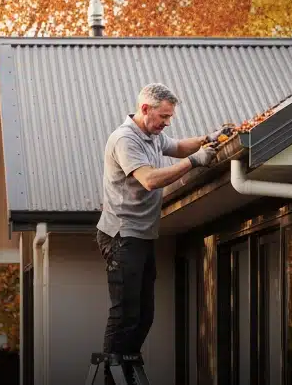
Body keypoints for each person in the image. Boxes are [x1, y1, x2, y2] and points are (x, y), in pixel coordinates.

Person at [95, 83, 229, 384]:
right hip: (121, 235)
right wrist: (195, 162)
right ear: (145, 109)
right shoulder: (125, 139)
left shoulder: (152, 135)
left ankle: (125, 368)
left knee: (145, 315)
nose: (167, 123)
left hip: (141, 236)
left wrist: (208, 140)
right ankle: (112, 377)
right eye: (164, 116)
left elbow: (179, 146)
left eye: (169, 117)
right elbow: (150, 180)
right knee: (125, 312)